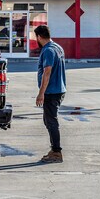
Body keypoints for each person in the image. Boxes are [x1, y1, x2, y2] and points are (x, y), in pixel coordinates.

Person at [34, 25, 67, 163]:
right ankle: (54, 149)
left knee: (51, 122)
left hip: (51, 91)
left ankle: (57, 152)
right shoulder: (57, 47)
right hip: (58, 89)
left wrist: (41, 93)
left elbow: (47, 73)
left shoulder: (48, 50)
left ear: (39, 37)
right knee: (48, 120)